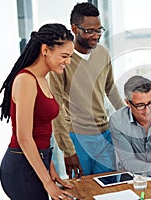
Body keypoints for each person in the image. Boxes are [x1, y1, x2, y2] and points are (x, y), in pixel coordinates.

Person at [0, 23, 75, 200]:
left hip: (38, 161)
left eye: (70, 57)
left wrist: (51, 168)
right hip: (22, 167)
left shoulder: (42, 78)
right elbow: (24, 137)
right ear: (45, 49)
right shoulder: (26, 79)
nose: (68, 62)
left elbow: (41, 131)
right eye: (64, 56)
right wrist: (47, 182)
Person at [49, 2, 125, 178]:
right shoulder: (63, 60)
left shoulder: (103, 53)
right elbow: (56, 107)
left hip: (104, 135)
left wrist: (128, 117)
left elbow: (110, 88)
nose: (96, 36)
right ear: (74, 29)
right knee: (82, 190)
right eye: (90, 31)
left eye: (99, 30)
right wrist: (68, 150)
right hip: (77, 137)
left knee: (109, 188)